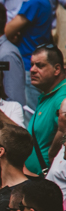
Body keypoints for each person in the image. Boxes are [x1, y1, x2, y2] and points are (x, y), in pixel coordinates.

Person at [25, 45, 66, 174]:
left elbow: (64, 130)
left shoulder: (62, 98)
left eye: (40, 65)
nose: (32, 70)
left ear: (57, 69)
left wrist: (50, 156)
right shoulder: (49, 93)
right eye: (31, 65)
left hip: (48, 181)